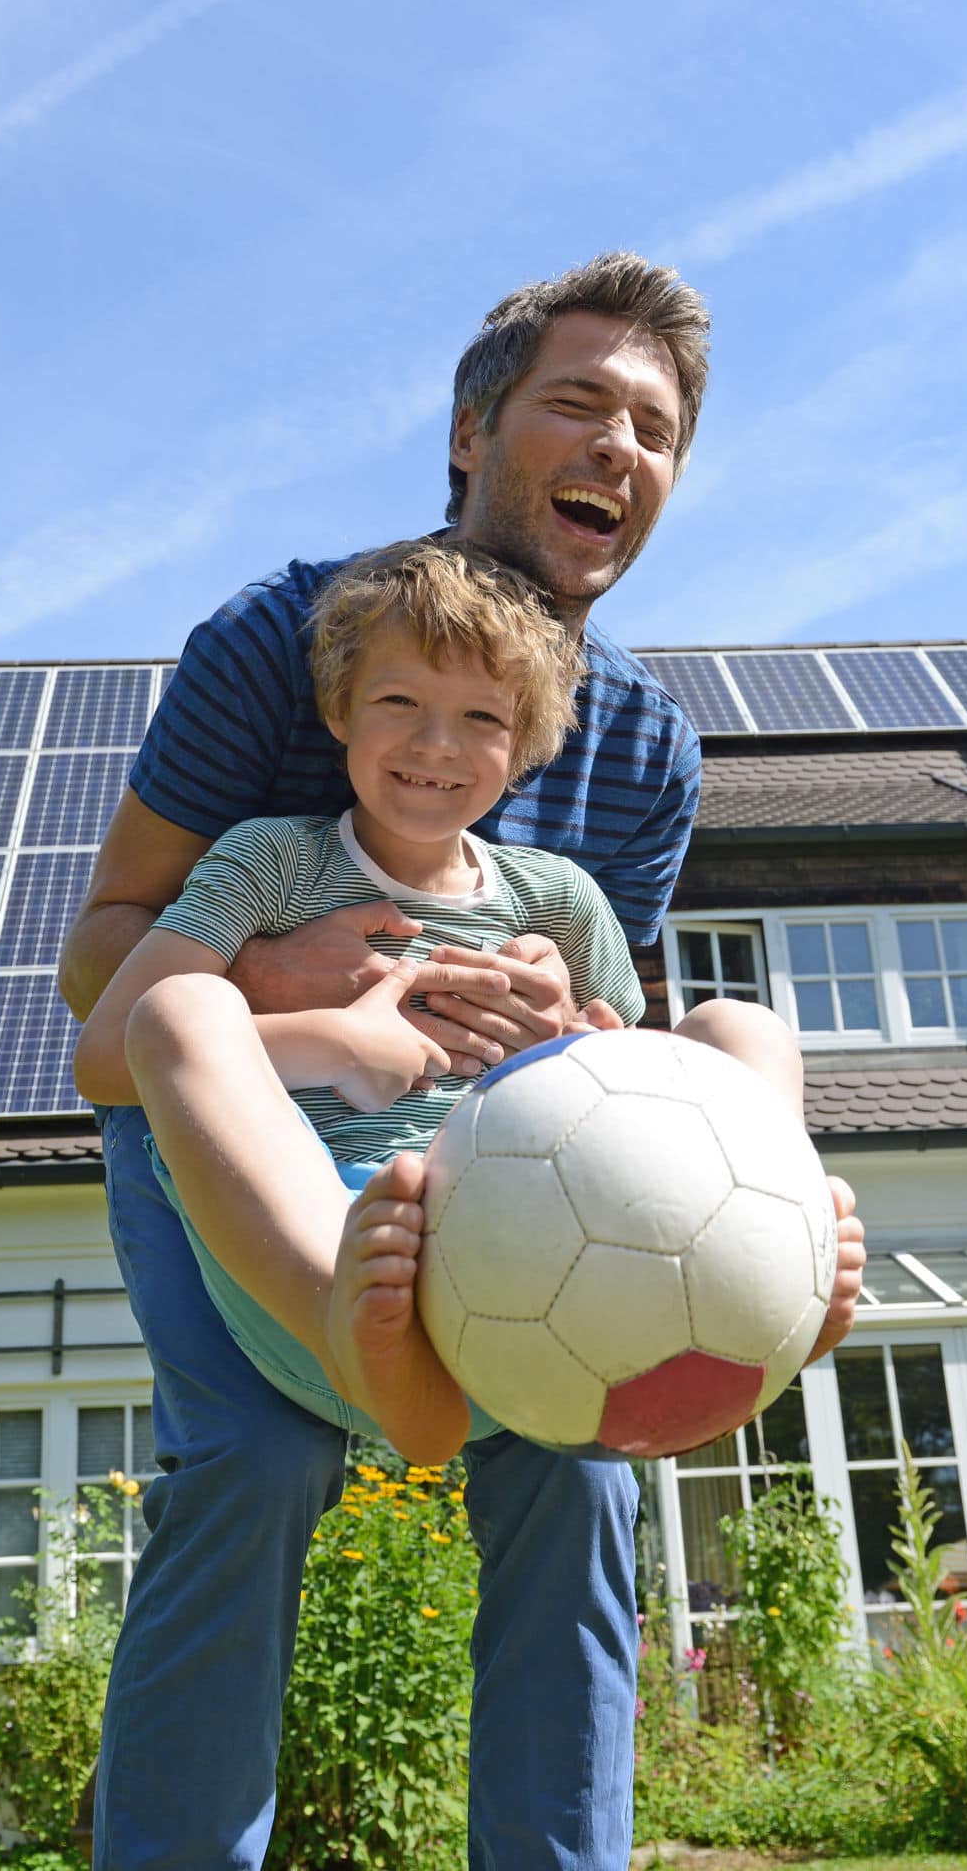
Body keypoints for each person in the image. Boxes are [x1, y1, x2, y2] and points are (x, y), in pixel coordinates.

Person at [57, 253, 867, 1870]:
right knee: (257, 1461)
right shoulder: (280, 637)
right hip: (248, 1132)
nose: (618, 445)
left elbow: (625, 1058)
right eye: (579, 402)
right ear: (473, 429)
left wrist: (575, 1036)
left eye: (655, 427)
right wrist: (300, 982)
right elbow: (109, 976)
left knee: (580, 1474)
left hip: (505, 1163)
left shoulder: (643, 745)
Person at [73, 538, 830, 1467]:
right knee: (180, 1009)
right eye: (400, 703)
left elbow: (637, 1112)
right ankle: (363, 1344)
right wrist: (334, 1043)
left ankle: (771, 1270)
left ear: (523, 749)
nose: (437, 745)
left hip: (529, 1261)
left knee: (736, 1029)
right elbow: (107, 1053)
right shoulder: (268, 863)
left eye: (480, 717)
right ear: (339, 712)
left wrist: (577, 1046)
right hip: (335, 1258)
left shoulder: (559, 901)